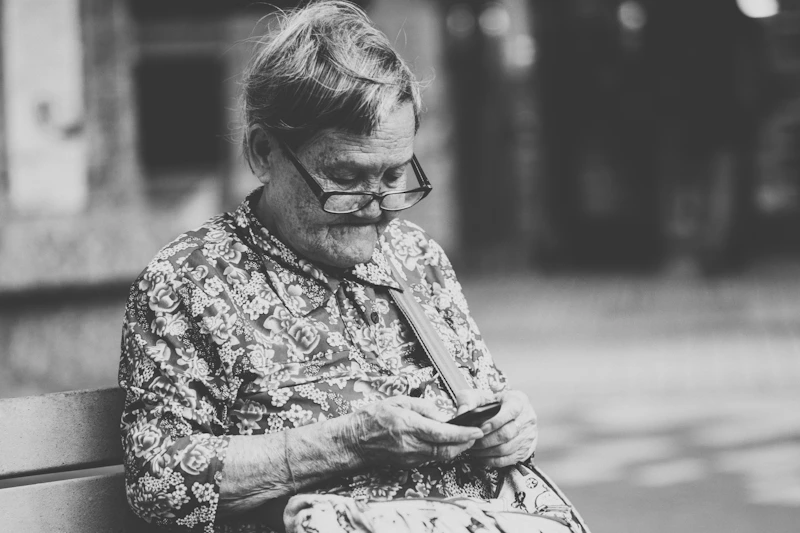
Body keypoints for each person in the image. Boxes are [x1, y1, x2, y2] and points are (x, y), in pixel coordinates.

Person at [118, 2, 588, 532]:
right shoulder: (189, 281)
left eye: (392, 176)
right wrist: (349, 440)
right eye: (346, 176)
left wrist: (511, 426)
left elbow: (487, 398)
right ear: (264, 152)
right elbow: (159, 479)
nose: (378, 206)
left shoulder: (415, 256)